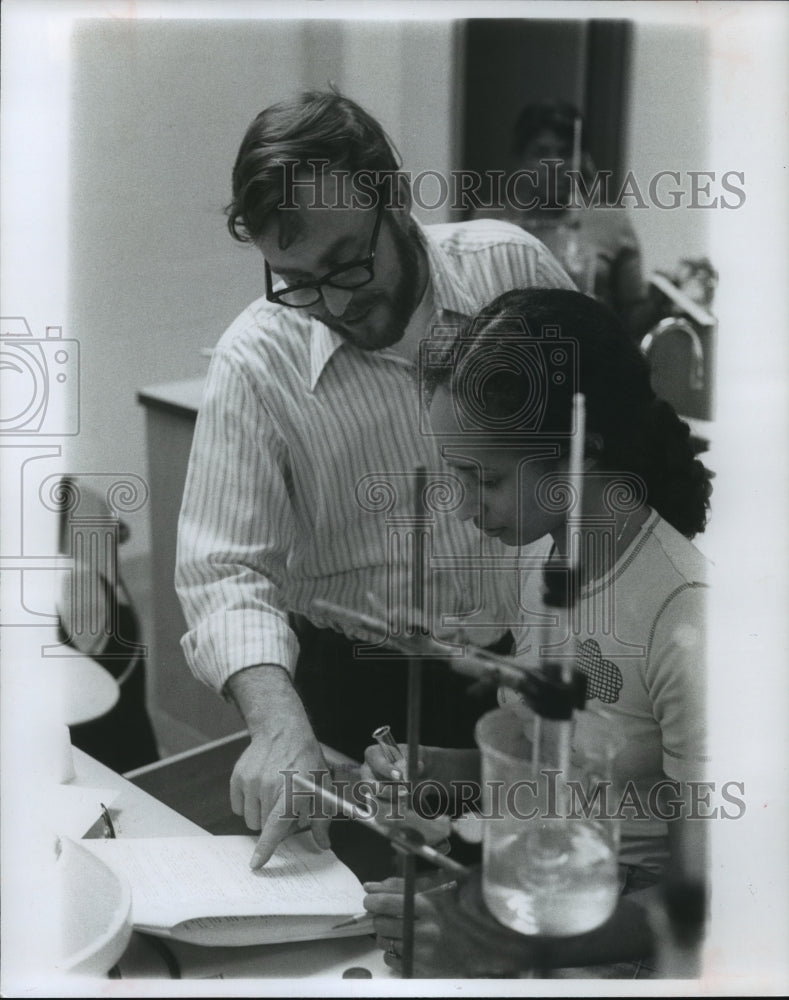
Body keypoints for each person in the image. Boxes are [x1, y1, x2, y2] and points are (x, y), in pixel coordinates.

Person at [174, 90, 574, 869]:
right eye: (295, 279)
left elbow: (603, 445)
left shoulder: (512, 268)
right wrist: (278, 724)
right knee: (364, 932)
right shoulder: (257, 358)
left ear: (392, 196)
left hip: (532, 672)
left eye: (347, 263)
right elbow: (222, 571)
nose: (333, 303)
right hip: (355, 704)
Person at [363, 287, 712, 977]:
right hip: (536, 904)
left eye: (483, 479)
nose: (462, 507)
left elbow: (708, 896)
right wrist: (437, 771)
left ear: (581, 448)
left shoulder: (685, 613)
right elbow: (548, 762)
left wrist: (503, 942)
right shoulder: (541, 559)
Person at [473, 101, 658, 341]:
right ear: (521, 160)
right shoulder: (489, 222)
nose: (555, 165)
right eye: (541, 153)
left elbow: (634, 321)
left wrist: (662, 299)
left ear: (582, 159)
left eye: (566, 152)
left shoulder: (611, 223)